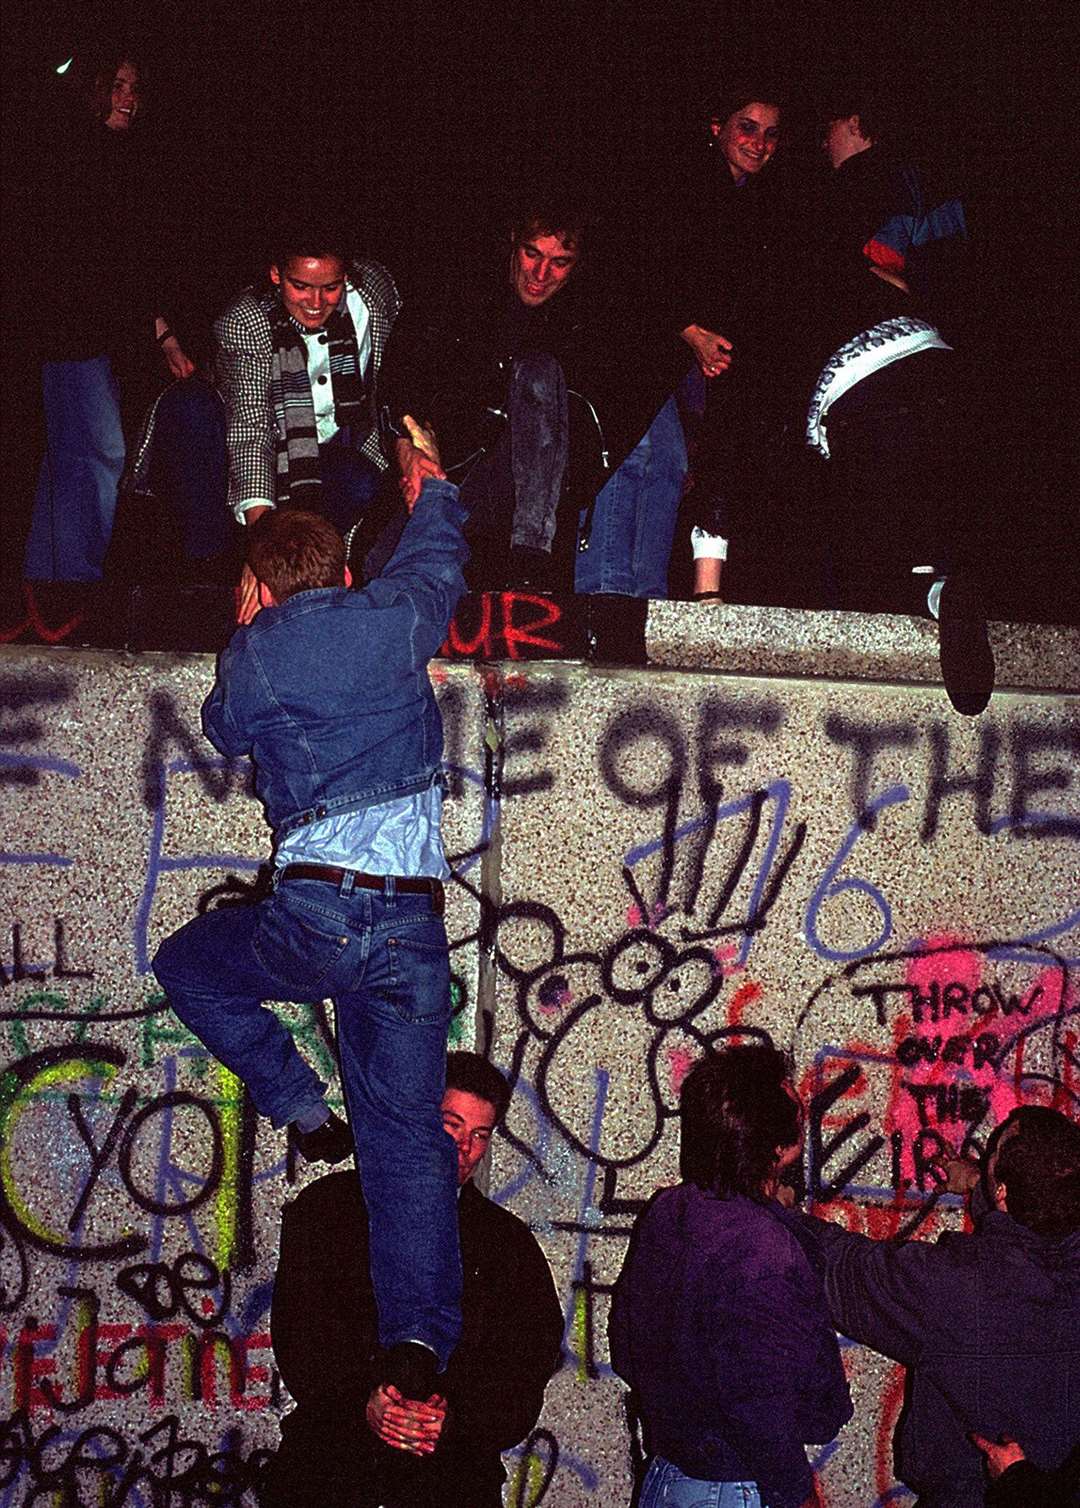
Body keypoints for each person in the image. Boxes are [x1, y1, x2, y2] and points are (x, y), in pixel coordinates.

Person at [152, 467, 468, 1404]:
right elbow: (437, 563)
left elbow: (222, 730)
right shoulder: (394, 616)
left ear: (260, 582)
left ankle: (302, 1110)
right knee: (409, 1140)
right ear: (338, 571)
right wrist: (433, 493)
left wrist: (251, 624)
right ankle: (415, 1340)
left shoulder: (255, 654)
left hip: (318, 918)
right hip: (412, 926)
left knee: (191, 966)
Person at [260, 1052, 564, 1508]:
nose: (464, 1149)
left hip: (449, 1483)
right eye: (452, 1125)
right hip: (329, 1476)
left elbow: (524, 1368)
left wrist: (454, 1419)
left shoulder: (507, 1245)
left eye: (479, 1135)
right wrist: (364, 1401)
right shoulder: (328, 1211)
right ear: (417, 1118)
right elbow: (300, 1339)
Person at [376, 193, 686, 602]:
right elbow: (403, 373)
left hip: (530, 518)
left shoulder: (584, 326)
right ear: (513, 242)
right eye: (531, 254)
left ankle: (528, 562)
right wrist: (406, 443)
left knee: (541, 372)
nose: (541, 274)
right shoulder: (460, 294)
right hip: (447, 478)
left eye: (559, 263)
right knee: (379, 568)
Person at [799, 88, 993, 714]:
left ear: (855, 121)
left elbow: (808, 268)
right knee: (924, 531)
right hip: (938, 367)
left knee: (861, 547)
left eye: (829, 127)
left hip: (862, 375)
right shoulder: (930, 185)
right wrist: (912, 287)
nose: (823, 142)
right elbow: (961, 279)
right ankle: (944, 592)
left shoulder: (844, 186)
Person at [796, 1105, 1080, 1507]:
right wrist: (984, 1184)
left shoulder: (955, 1286)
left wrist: (770, 1210)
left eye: (993, 1158)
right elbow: (1036, 1226)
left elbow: (840, 1268)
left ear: (1003, 1193)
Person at [609, 1044, 852, 1508]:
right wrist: (798, 1494)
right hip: (736, 1488)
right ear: (778, 1147)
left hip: (668, 1478)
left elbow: (626, 1351)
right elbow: (760, 1407)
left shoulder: (670, 1212)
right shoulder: (763, 1248)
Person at [129, 225, 401, 584]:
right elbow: (250, 432)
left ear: (347, 278)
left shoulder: (375, 297)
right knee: (189, 409)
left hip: (326, 451)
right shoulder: (246, 322)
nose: (316, 303)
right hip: (240, 454)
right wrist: (264, 551)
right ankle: (211, 571)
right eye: (300, 286)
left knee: (361, 481)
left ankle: (309, 576)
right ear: (276, 275)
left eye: (330, 288)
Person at [23, 52, 195, 582]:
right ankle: (74, 580)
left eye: (134, 87)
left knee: (71, 458)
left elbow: (132, 263)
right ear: (92, 90)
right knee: (102, 453)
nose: (129, 99)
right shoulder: (72, 156)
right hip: (70, 335)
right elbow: (82, 259)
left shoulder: (120, 160)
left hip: (101, 337)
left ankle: (46, 578)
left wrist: (160, 334)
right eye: (117, 86)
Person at [665, 81, 798, 602]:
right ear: (718, 127)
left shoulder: (761, 202)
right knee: (661, 468)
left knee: (732, 446)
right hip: (668, 355)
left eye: (771, 135)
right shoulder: (685, 184)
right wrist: (691, 331)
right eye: (748, 128)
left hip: (722, 362)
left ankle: (710, 586)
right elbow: (641, 264)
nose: (759, 143)